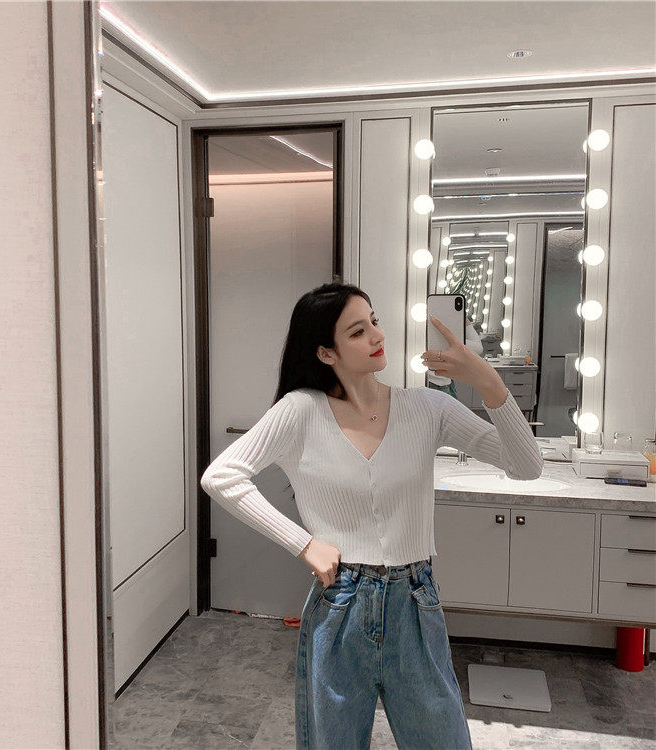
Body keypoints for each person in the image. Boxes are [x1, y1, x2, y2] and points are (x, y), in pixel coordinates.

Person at [200, 282, 543, 750]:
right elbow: (221, 476)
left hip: (415, 601)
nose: (377, 336)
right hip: (341, 602)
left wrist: (487, 380)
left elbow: (526, 465)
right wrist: (303, 543)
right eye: (357, 331)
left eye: (374, 322)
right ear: (326, 352)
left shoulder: (427, 407)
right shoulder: (301, 410)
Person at [427, 316, 484, 399]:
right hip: (436, 385)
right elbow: (478, 348)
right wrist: (464, 318)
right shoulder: (443, 340)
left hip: (439, 383)